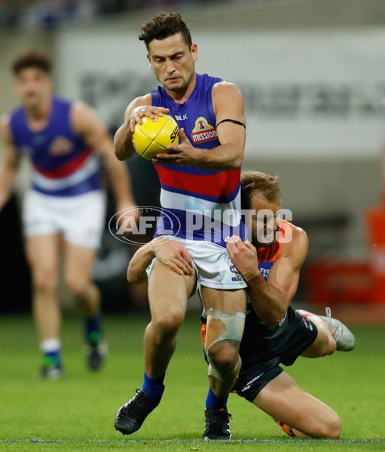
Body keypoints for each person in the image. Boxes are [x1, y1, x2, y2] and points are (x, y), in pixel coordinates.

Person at [127, 170, 356, 439]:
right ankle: (280, 412)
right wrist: (152, 248)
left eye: (277, 215)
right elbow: (137, 277)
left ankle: (316, 322)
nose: (273, 226)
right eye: (262, 219)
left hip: (280, 323)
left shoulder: (292, 238)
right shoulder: (212, 244)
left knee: (327, 345)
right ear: (237, 217)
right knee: (329, 430)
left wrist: (251, 273)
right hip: (246, 353)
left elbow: (274, 313)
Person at [113, 12, 248, 439]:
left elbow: (233, 153)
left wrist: (189, 153)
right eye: (158, 60)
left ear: (192, 52)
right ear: (150, 62)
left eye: (176, 56)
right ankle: (150, 391)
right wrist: (129, 125)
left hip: (225, 235)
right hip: (174, 232)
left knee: (225, 356)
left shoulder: (222, 93)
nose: (169, 67)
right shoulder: (146, 107)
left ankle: (216, 409)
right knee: (168, 318)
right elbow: (118, 152)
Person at [0, 51, 137, 379]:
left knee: (77, 285)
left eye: (37, 79)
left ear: (47, 82)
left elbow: (112, 156)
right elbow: (9, 168)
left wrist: (125, 201)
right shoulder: (12, 125)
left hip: (83, 200)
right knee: (44, 280)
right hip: (42, 201)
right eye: (24, 81)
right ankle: (52, 360)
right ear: (17, 86)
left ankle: (92, 326)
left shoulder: (77, 116)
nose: (31, 86)